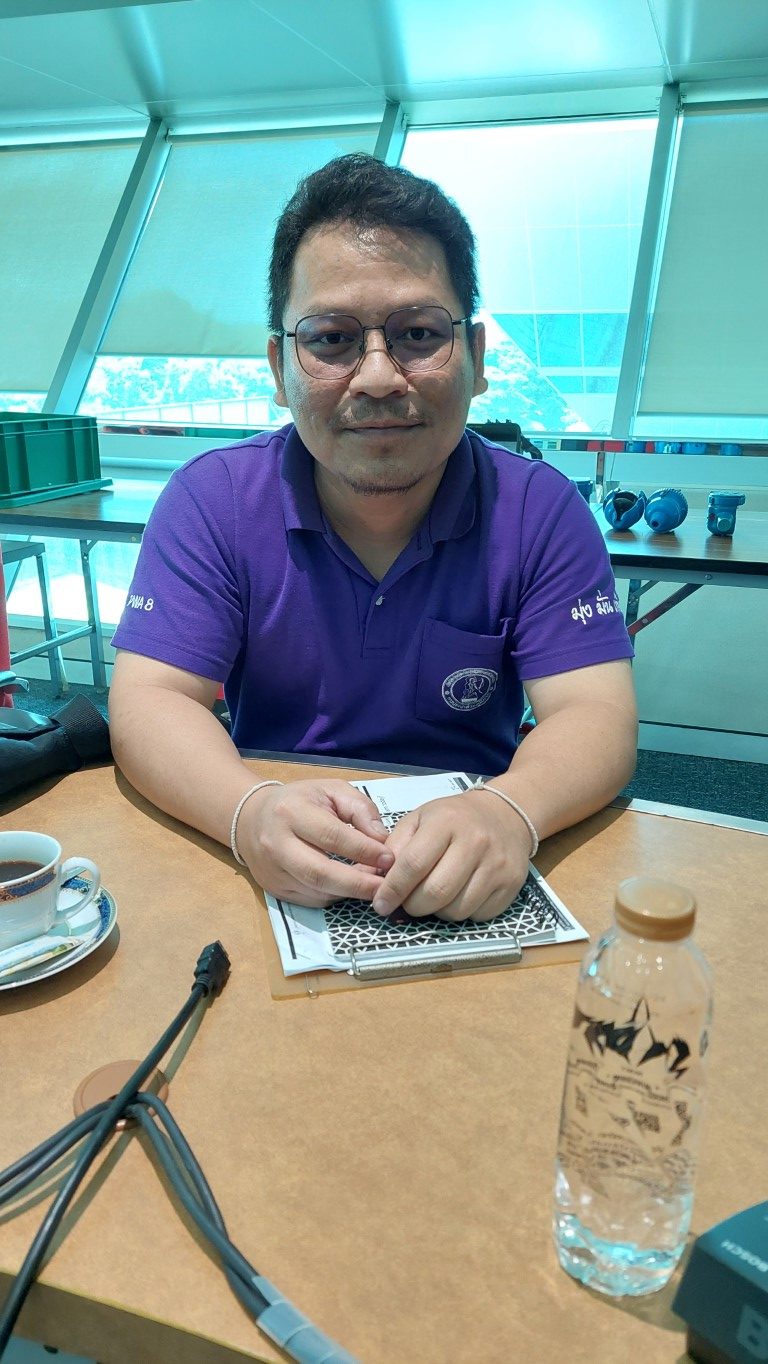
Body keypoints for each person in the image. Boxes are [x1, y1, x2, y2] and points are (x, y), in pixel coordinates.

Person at [109, 153, 637, 924]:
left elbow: (596, 712)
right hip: (272, 855)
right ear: (280, 367)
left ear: (477, 358)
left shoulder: (540, 510)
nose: (381, 377)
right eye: (331, 339)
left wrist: (511, 811)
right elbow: (150, 698)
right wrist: (247, 811)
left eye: (419, 333)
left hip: (474, 866)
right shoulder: (212, 501)